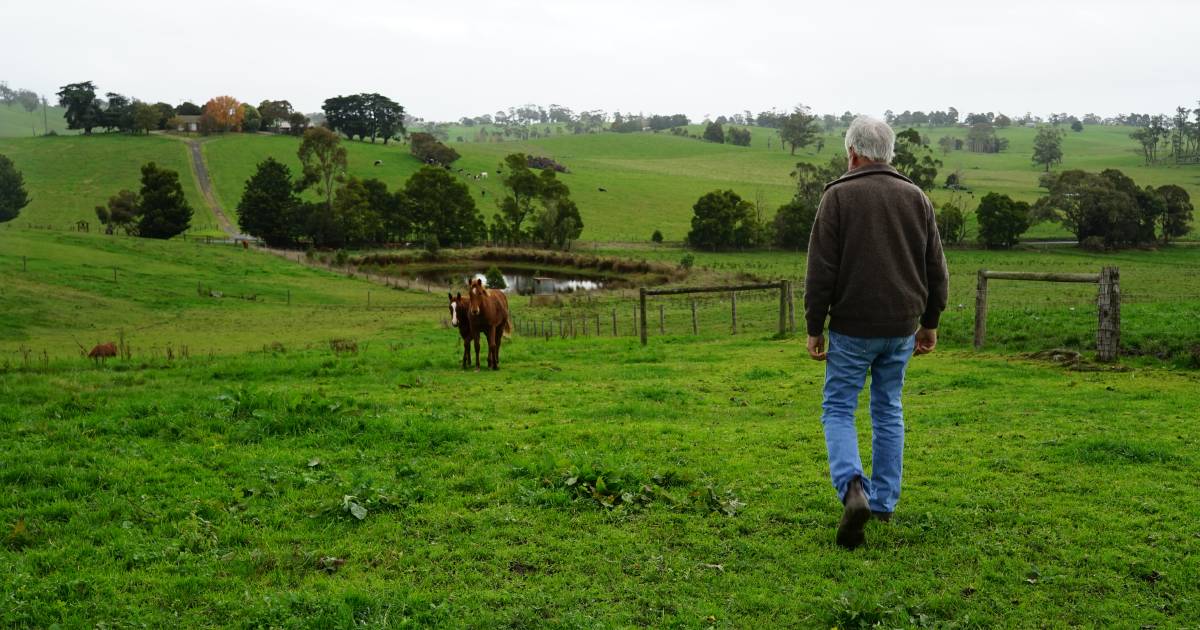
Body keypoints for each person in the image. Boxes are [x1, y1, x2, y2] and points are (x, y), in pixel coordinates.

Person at [804, 115, 949, 550]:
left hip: (852, 327)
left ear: (852, 151)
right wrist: (931, 322)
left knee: (838, 408)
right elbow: (935, 267)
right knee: (888, 408)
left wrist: (815, 326)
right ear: (889, 154)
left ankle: (853, 491)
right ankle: (883, 504)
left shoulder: (838, 197)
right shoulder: (916, 197)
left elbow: (820, 270)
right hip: (902, 326)